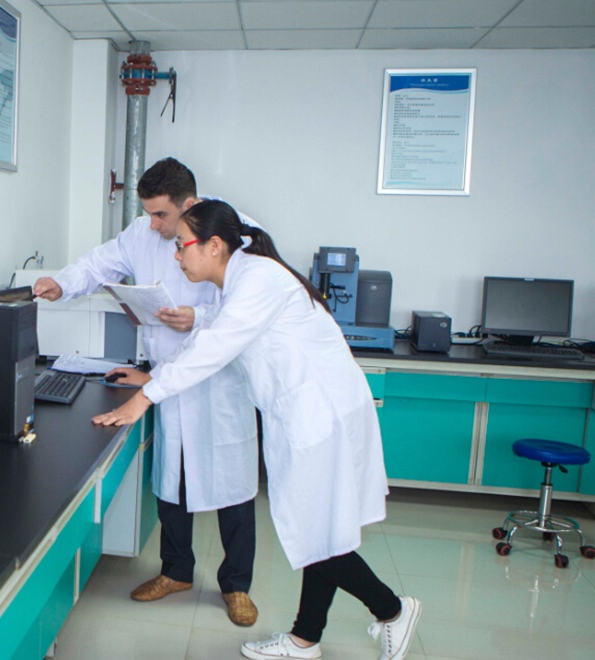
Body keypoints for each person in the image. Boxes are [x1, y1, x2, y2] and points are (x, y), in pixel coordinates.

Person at [92, 199, 421, 660]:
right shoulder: (246, 277)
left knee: (318, 536)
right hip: (311, 414)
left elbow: (214, 347)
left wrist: (145, 396)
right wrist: (161, 367)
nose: (176, 254)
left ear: (214, 245)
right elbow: (221, 328)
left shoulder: (257, 279)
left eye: (182, 245)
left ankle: (393, 610)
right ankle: (305, 639)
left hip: (319, 417)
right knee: (319, 531)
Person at [33, 158, 261, 626]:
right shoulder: (142, 233)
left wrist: (197, 317)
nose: (153, 224)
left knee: (233, 487)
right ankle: (176, 571)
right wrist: (62, 283)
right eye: (149, 214)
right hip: (165, 378)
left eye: (161, 215)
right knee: (172, 479)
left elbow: (247, 309)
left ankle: (236, 585)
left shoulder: (234, 231)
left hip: (220, 384)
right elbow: (98, 263)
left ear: (189, 204)